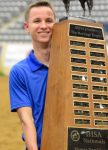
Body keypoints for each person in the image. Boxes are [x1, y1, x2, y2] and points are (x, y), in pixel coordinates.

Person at [9, 1, 56, 150]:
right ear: (27, 27)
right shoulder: (19, 72)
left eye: (49, 20)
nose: (44, 26)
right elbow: (26, 121)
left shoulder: (71, 65)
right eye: (37, 21)